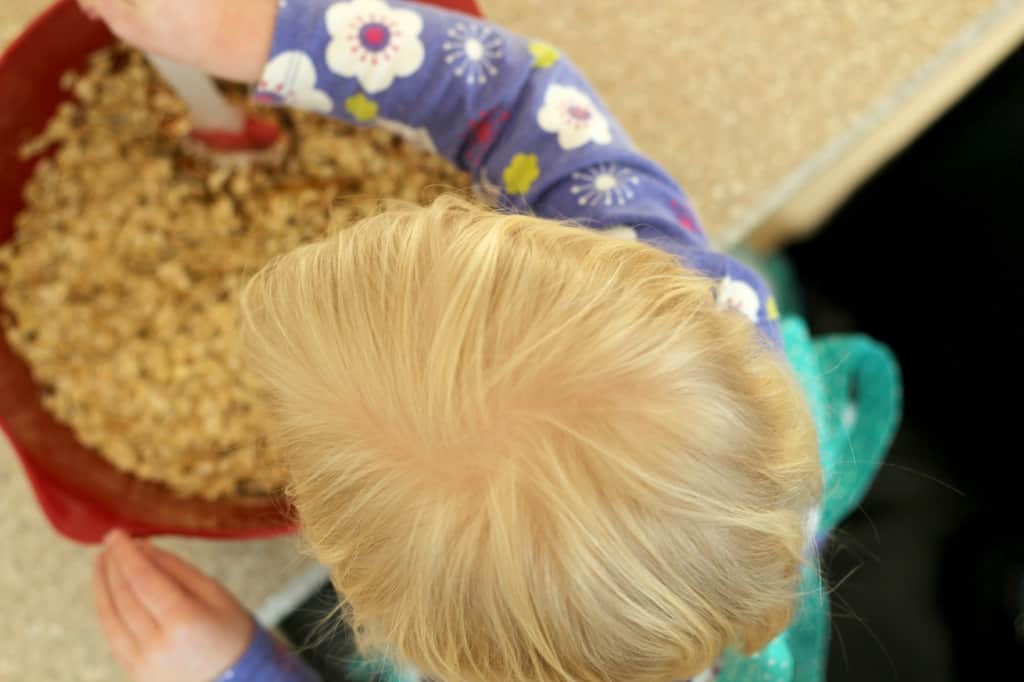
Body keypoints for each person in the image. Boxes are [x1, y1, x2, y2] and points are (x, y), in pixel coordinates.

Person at [82, 0, 822, 680]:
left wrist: (243, 670)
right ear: (556, 241)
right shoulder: (663, 287)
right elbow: (509, 96)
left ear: (379, 619)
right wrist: (267, 36)